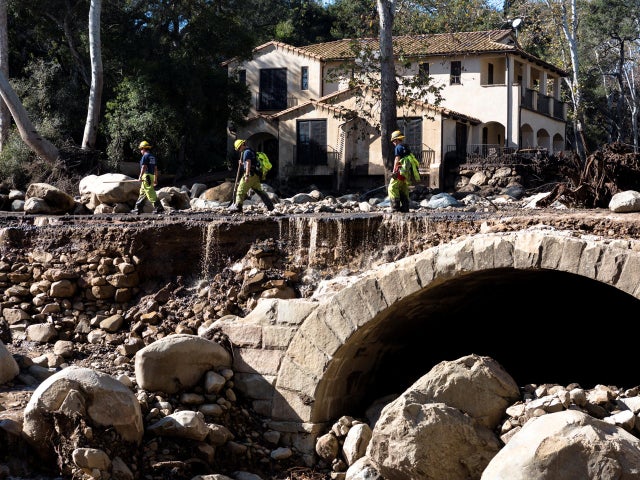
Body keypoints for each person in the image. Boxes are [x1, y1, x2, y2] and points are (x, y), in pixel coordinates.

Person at [228, 139, 275, 213]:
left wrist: (246, 175)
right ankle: (270, 206)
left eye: (239, 148)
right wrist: (242, 163)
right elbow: (251, 163)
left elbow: (249, 163)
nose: (239, 150)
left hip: (250, 175)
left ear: (241, 145)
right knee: (260, 191)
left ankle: (238, 207)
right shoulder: (250, 151)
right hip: (255, 175)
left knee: (240, 190)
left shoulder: (246, 152)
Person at [131, 140, 165, 214]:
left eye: (140, 149)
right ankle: (138, 209)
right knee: (142, 192)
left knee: (150, 192)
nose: (140, 151)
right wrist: (155, 179)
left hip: (146, 176)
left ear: (143, 148)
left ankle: (159, 208)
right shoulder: (152, 157)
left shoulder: (145, 156)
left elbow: (144, 167)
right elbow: (155, 169)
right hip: (151, 176)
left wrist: (140, 177)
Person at [387, 130, 414, 212]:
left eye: (393, 141)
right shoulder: (406, 147)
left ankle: (395, 208)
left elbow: (397, 159)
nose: (393, 143)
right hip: (406, 173)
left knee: (392, 188)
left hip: (399, 171)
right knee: (403, 188)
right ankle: (405, 207)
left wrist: (394, 171)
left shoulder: (398, 147)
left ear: (396, 140)